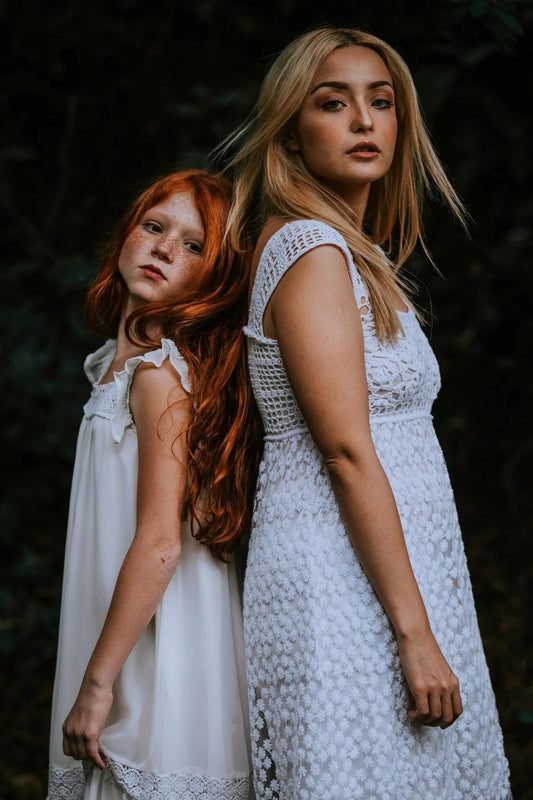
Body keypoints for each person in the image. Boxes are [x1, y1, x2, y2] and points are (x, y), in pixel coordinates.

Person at [221, 27, 512, 799]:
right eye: (332, 102)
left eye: (379, 102)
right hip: (341, 588)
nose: (362, 120)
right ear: (291, 128)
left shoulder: (350, 254)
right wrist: (413, 635)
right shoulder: (311, 251)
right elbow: (345, 451)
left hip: (388, 582)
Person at [47, 169, 260, 800]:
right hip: (115, 633)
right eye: (155, 226)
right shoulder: (109, 366)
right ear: (126, 234)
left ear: (215, 277)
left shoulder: (159, 373)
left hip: (154, 655)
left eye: (195, 246)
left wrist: (97, 683)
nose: (166, 248)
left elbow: (162, 541)